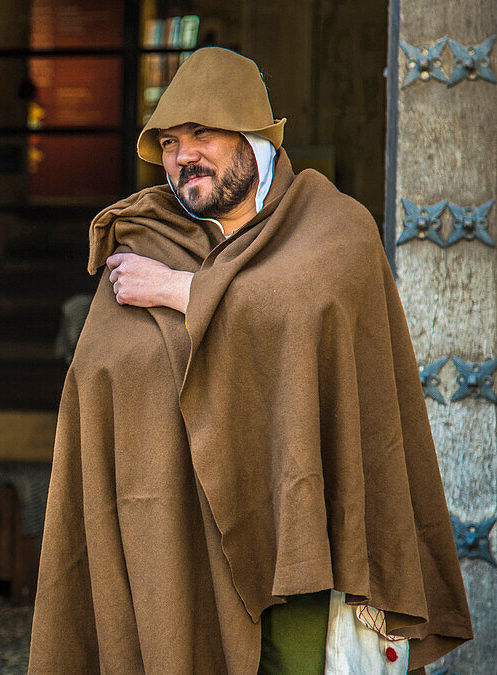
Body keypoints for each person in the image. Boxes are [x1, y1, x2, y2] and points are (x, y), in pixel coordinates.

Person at [29, 48, 472, 673]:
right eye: (172, 143)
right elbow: (101, 381)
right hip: (173, 548)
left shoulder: (334, 229)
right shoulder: (146, 240)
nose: (184, 156)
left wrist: (179, 293)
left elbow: (295, 317)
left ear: (255, 138)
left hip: (297, 552)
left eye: (203, 134)